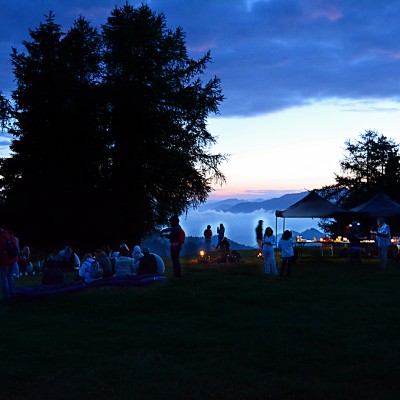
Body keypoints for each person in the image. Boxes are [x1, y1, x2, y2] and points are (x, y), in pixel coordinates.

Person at [0, 228, 19, 301]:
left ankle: (7, 296)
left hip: (4, 261)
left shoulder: (1, 238)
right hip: (12, 260)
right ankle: (13, 293)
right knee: (10, 277)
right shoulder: (10, 236)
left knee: (3, 279)